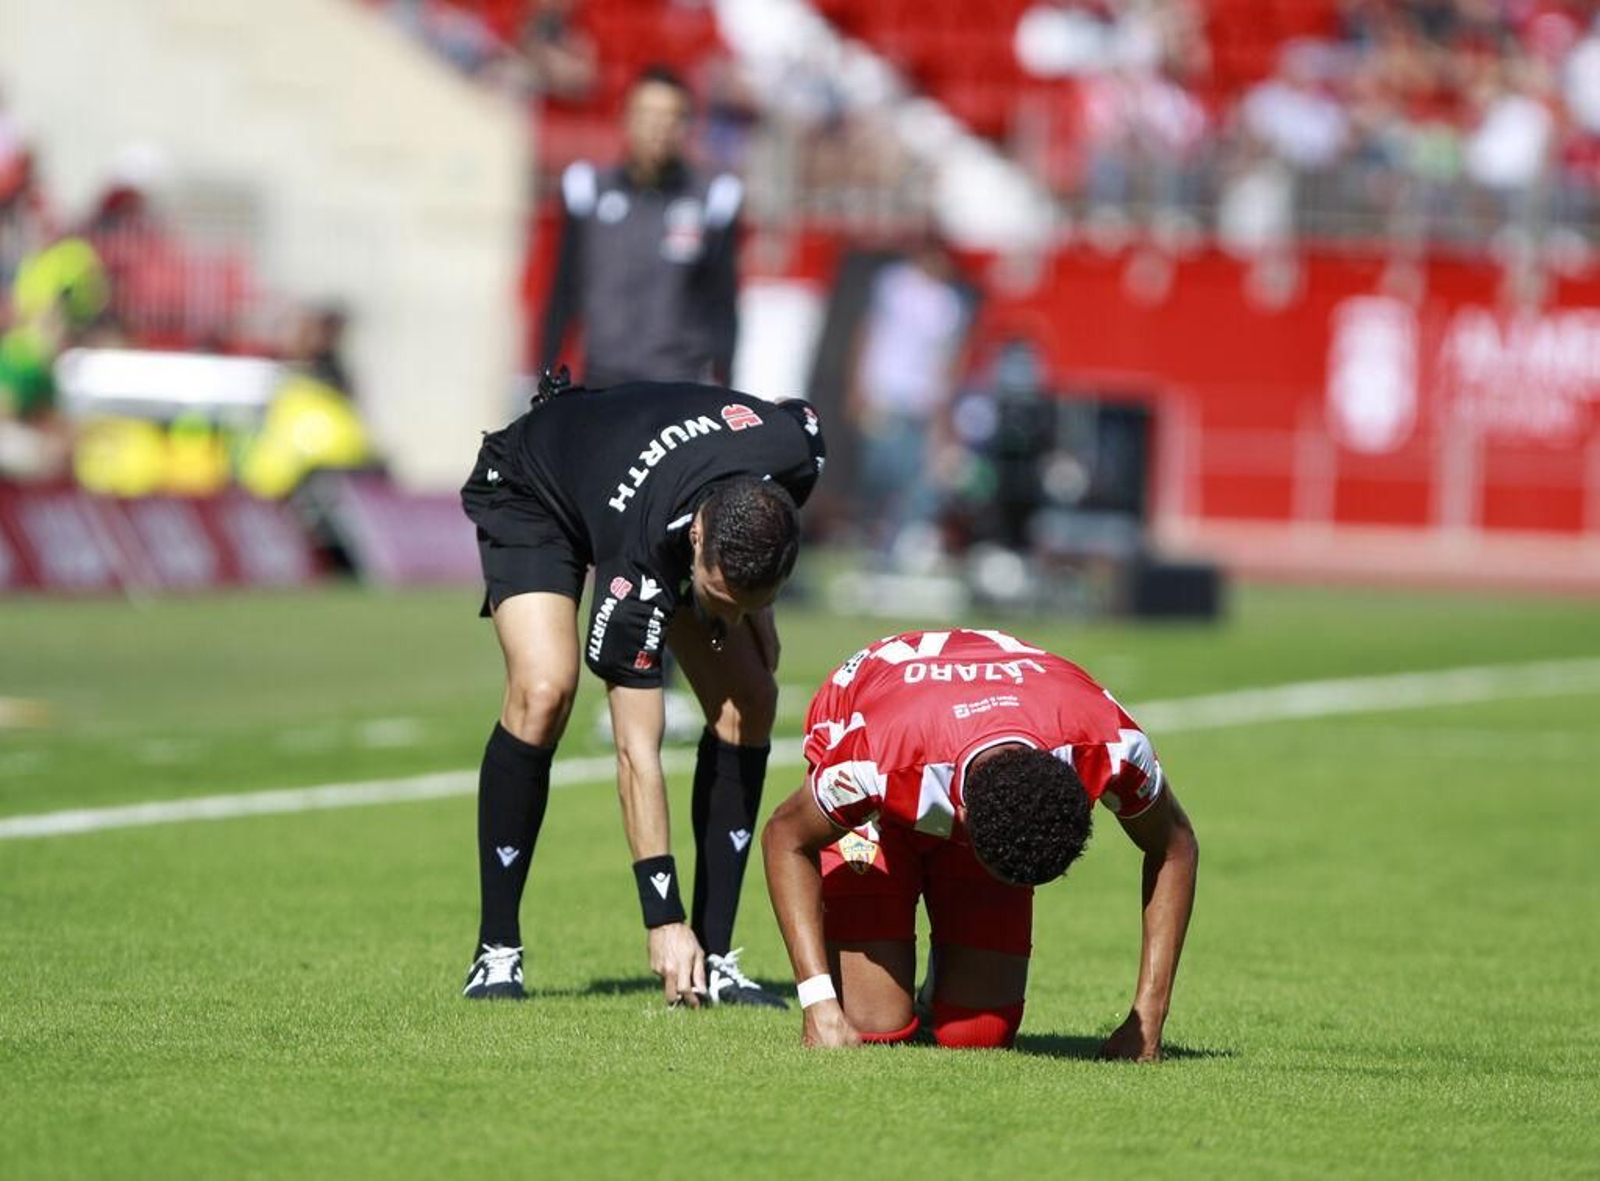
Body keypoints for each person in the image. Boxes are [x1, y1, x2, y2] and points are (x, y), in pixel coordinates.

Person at [459, 371, 826, 1009]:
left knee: (752, 700)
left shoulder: (794, 451)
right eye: (720, 599)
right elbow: (636, 751)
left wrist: (750, 611)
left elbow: (790, 425)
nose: (730, 618)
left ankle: (715, 958)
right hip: (536, 484)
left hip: (650, 480)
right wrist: (662, 916)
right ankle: (497, 950)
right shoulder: (640, 567)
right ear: (696, 542)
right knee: (544, 689)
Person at [761, 627, 1198, 1057]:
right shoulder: (870, 762)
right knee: (871, 1022)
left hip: (979, 742)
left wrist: (1149, 1018)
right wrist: (817, 1003)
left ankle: (941, 979)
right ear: (962, 824)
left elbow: (1175, 846)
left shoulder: (1109, 743)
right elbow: (785, 836)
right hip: (884, 778)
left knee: (980, 1035)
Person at [539, 65, 742, 388]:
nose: (658, 127)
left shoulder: (714, 199)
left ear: (686, 125)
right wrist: (544, 374)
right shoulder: (589, 190)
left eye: (670, 116)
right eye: (648, 114)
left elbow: (722, 304)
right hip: (603, 383)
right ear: (627, 118)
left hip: (678, 386)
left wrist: (727, 382)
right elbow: (563, 290)